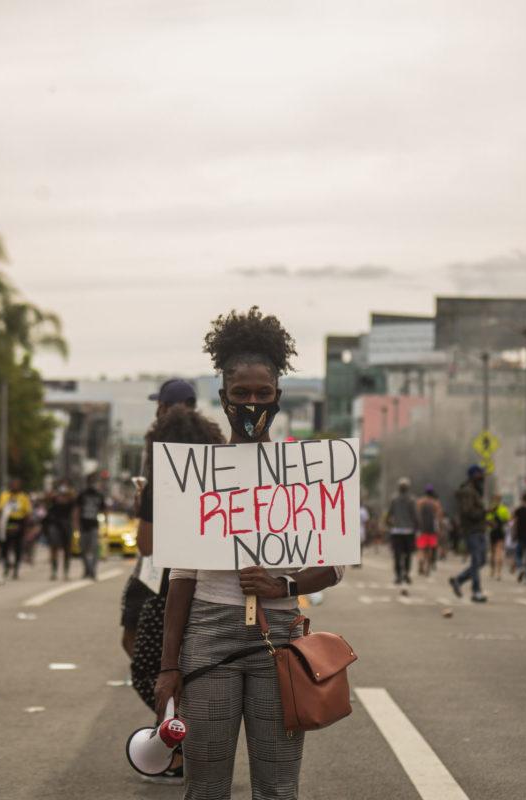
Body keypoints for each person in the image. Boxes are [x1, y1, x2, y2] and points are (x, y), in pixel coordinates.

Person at [155, 307, 344, 800]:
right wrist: (168, 664)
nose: (253, 402)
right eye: (242, 394)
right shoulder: (199, 473)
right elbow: (181, 574)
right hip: (208, 640)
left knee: (279, 787)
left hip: (279, 640)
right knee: (206, 787)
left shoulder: (305, 469)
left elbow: (334, 564)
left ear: (278, 398)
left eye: (263, 393)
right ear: (224, 398)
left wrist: (283, 585)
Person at [129, 404, 226, 785]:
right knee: (193, 667)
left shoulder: (161, 481)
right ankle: (181, 743)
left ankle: (178, 745)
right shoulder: (218, 475)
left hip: (173, 582)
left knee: (151, 669)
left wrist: (143, 505)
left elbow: (146, 544)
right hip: (212, 584)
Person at [120, 379, 199, 660]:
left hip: (161, 571)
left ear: (163, 407)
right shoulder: (208, 452)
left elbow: (145, 545)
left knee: (138, 642)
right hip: (200, 570)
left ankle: (172, 700)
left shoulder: (161, 463)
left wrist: (144, 505)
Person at [449, 465, 489, 602]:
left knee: (481, 560)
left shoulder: (475, 491)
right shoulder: (468, 492)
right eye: (480, 474)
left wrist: (487, 520)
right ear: (473, 476)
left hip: (479, 530)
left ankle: (459, 580)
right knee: (476, 561)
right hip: (472, 531)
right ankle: (476, 591)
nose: (482, 477)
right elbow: (468, 511)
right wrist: (484, 512)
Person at [0, 477, 32, 579]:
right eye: (13, 483)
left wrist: (27, 527)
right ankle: (6, 566)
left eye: (17, 484)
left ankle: (16, 568)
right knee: (5, 546)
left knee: (18, 547)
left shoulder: (24, 497)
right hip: (7, 522)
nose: (14, 486)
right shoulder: (4, 495)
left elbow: (27, 513)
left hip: (19, 522)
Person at [385, 478, 419, 585]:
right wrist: (418, 528)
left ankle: (399, 575)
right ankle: (406, 574)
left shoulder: (394, 499)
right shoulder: (412, 500)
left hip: (397, 531)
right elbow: (416, 516)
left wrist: (389, 524)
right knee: (408, 555)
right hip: (408, 531)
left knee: (397, 555)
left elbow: (389, 515)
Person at [43, 481, 76, 580]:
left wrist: (69, 492)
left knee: (67, 549)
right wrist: (54, 491)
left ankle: (66, 572)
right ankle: (54, 571)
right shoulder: (54, 498)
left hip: (66, 525)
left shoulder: (70, 498)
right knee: (54, 548)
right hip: (54, 524)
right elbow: (45, 499)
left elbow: (75, 501)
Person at [76, 474, 106, 579]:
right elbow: (77, 510)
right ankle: (87, 569)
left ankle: (92, 570)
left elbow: (104, 510)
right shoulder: (83, 494)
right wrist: (77, 524)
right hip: (84, 525)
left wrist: (105, 524)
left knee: (95, 549)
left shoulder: (99, 495)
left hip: (94, 525)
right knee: (83, 549)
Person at [416, 485, 443, 575]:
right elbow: (439, 517)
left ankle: (421, 562)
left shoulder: (420, 502)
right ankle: (427, 566)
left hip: (421, 528)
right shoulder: (436, 504)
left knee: (421, 548)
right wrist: (440, 528)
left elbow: (416, 515)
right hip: (432, 529)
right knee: (430, 549)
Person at [486, 493, 510, 580]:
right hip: (501, 531)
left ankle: (492, 569)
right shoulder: (503, 509)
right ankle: (499, 573)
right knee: (500, 552)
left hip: (493, 531)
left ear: (493, 499)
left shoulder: (491, 508)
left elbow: (487, 519)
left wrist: (492, 524)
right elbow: (507, 520)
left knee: (492, 552)